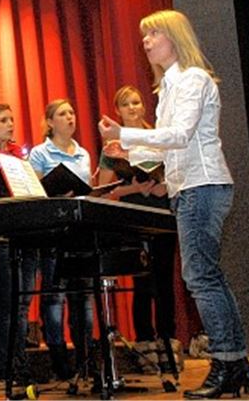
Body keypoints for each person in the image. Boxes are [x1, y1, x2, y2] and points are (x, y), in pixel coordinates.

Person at [99, 9, 249, 399]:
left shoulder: (193, 79)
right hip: (188, 187)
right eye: (144, 36)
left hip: (202, 185)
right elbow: (167, 151)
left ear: (174, 37)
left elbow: (181, 135)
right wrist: (126, 150)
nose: (146, 42)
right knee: (208, 276)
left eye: (153, 34)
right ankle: (236, 362)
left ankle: (224, 363)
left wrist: (126, 133)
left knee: (200, 277)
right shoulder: (167, 86)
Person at [97, 85, 180, 375]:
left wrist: (163, 186)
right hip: (133, 219)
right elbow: (103, 191)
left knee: (165, 281)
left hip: (162, 214)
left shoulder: (158, 137)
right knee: (143, 282)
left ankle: (168, 343)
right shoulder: (112, 147)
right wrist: (133, 186)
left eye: (137, 102)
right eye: (126, 104)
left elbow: (178, 173)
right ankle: (145, 343)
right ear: (117, 111)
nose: (133, 107)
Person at [28, 99, 96, 381]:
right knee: (54, 296)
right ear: (50, 122)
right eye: (62, 114)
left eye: (72, 112)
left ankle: (86, 360)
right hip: (54, 231)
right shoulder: (39, 153)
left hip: (80, 231)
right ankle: (60, 363)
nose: (70, 117)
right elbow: (33, 191)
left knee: (83, 297)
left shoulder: (83, 154)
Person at [0, 104, 39, 384]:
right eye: (3, 120)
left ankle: (19, 362)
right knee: (7, 304)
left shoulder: (20, 156)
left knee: (22, 304)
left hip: (24, 233)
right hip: (0, 235)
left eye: (12, 119)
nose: (11, 124)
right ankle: (5, 364)